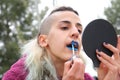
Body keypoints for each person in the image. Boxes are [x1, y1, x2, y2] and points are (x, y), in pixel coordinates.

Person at [2, 6, 120, 80]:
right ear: (43, 40)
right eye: (64, 27)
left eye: (79, 30)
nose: (76, 33)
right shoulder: (17, 76)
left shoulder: (84, 78)